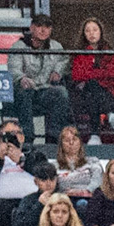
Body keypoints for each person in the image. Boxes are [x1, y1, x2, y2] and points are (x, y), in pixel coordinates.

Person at [7, 13, 70, 142]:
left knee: (61, 92)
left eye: (47, 27)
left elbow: (64, 61)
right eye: (39, 26)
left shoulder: (56, 46)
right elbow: (13, 68)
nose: (43, 30)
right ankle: (27, 138)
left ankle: (53, 137)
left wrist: (57, 72)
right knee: (25, 92)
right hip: (22, 92)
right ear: (31, 28)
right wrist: (21, 78)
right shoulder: (19, 46)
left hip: (44, 90)